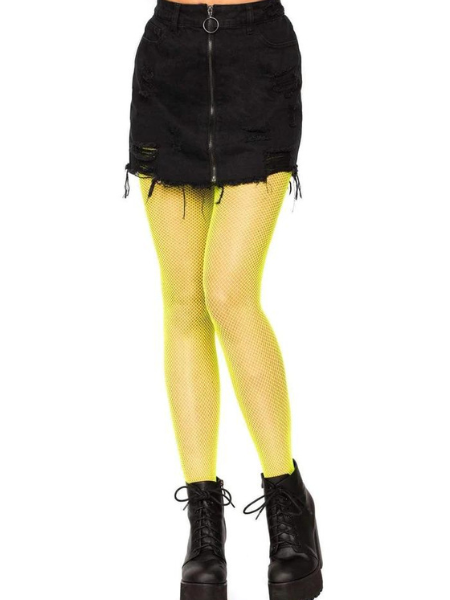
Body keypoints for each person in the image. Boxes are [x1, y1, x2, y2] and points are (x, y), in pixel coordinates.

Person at [123, 0, 323, 598]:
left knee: (229, 293)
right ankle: (204, 529)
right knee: (184, 300)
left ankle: (288, 505)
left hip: (257, 62)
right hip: (169, 62)